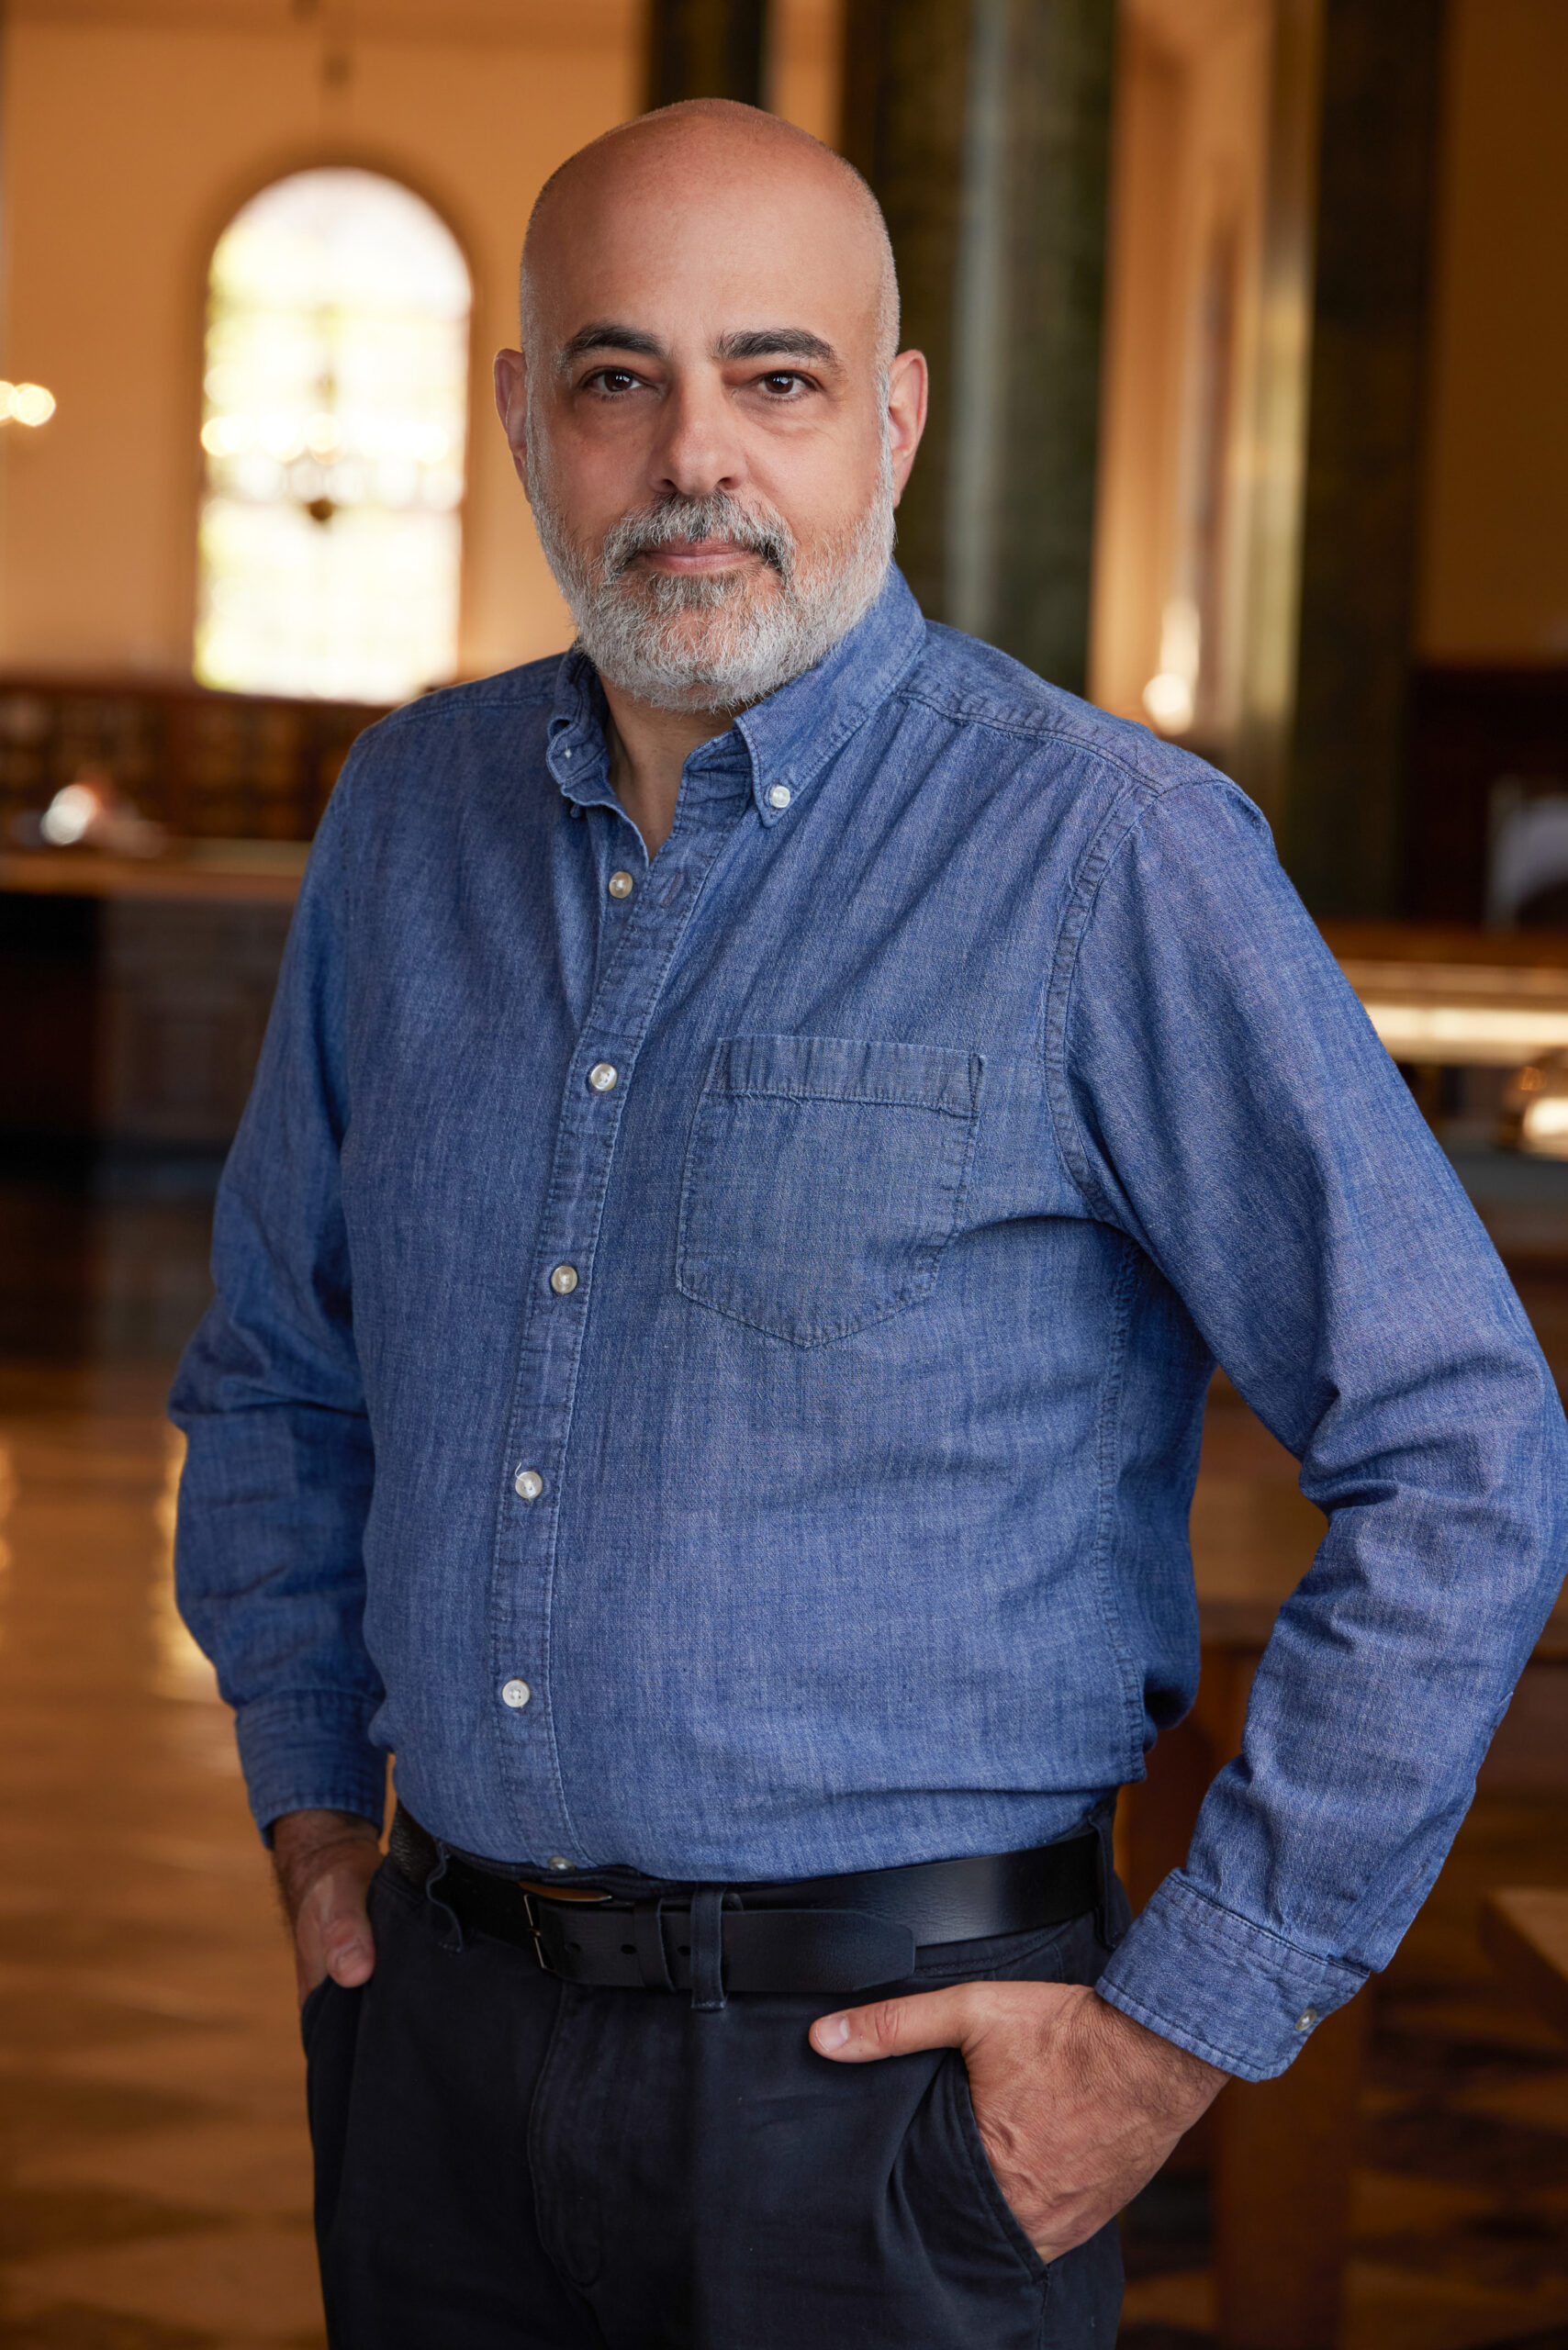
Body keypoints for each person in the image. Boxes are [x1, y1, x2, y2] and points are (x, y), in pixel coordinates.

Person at [171, 98, 1567, 2350]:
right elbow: (272, 1367)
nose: (694, 454)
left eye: (778, 376)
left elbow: (1463, 1449)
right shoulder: (404, 822)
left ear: (892, 419)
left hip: (894, 2099)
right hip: (435, 2045)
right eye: (618, 377)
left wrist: (1173, 2030)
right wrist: (310, 1795)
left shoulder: (1104, 854)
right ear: (525, 414)